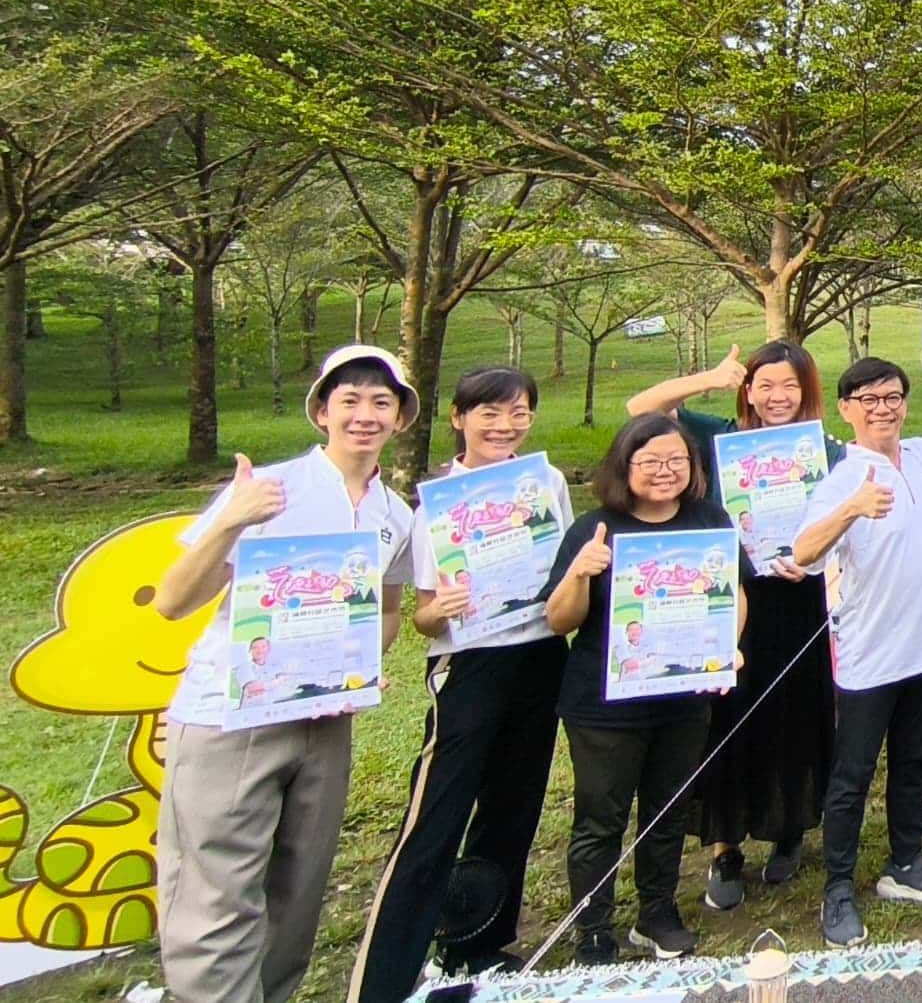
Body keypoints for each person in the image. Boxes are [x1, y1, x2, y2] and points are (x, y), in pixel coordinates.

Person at [153, 344, 418, 1003]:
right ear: (322, 411)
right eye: (349, 400)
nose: (365, 414)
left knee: (297, 890)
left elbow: (386, 609)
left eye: (381, 401)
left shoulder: (395, 514)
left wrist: (360, 669)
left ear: (400, 417)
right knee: (218, 891)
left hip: (323, 724)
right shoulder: (267, 489)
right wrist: (231, 520)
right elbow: (173, 600)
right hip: (230, 718)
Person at [348, 367, 575, 1003]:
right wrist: (440, 610)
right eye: (490, 414)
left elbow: (563, 571)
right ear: (458, 418)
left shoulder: (547, 483)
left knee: (515, 807)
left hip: (541, 656)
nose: (506, 426)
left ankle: (479, 944)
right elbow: (423, 617)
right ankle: (385, 977)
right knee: (436, 818)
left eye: (519, 413)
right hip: (469, 666)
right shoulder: (438, 504)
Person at [627, 343, 839, 910]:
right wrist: (711, 377)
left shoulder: (822, 448)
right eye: (764, 384)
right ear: (748, 390)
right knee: (726, 719)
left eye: (789, 385)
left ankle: (789, 828)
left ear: (807, 390)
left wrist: (822, 554)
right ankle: (725, 849)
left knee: (794, 714)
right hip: (729, 600)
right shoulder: (718, 435)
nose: (777, 397)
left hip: (798, 597)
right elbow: (641, 407)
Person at [793, 356, 922, 947]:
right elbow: (803, 552)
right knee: (852, 775)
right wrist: (851, 509)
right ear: (847, 410)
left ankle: (905, 864)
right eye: (869, 400)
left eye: (892, 397)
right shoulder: (842, 479)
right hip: (870, 655)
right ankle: (837, 888)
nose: (883, 409)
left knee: (915, 761)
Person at [543, 414, 744, 965]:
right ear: (624, 465)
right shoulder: (595, 528)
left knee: (668, 810)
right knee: (600, 819)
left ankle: (656, 914)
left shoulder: (709, 519)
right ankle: (593, 928)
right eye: (650, 461)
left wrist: (728, 645)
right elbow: (560, 621)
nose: (665, 471)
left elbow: (736, 591)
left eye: (677, 460)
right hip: (604, 709)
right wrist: (579, 573)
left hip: (683, 701)